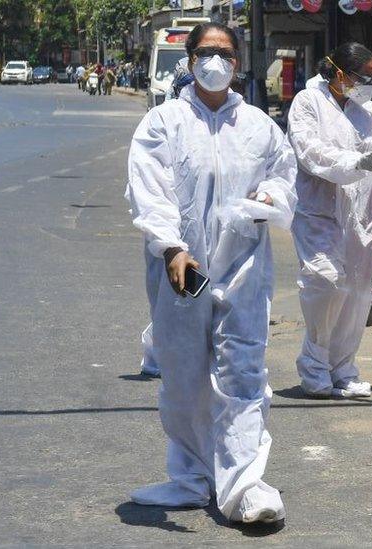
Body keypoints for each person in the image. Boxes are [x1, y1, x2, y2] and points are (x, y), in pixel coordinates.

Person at [125, 22, 297, 524]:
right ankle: (192, 476)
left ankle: (244, 485)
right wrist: (172, 246)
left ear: (238, 62)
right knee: (183, 378)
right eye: (206, 52)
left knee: (242, 374)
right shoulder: (163, 122)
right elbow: (148, 189)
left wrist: (269, 198)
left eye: (224, 53)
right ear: (190, 58)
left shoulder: (261, 127)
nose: (215, 62)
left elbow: (284, 178)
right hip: (182, 272)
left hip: (243, 267)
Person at [288, 42, 372, 398]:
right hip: (319, 210)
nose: (366, 83)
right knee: (324, 280)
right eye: (360, 76)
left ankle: (343, 368)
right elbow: (309, 150)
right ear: (337, 72)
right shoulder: (308, 103)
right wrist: (354, 162)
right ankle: (314, 363)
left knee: (356, 292)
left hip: (359, 215)